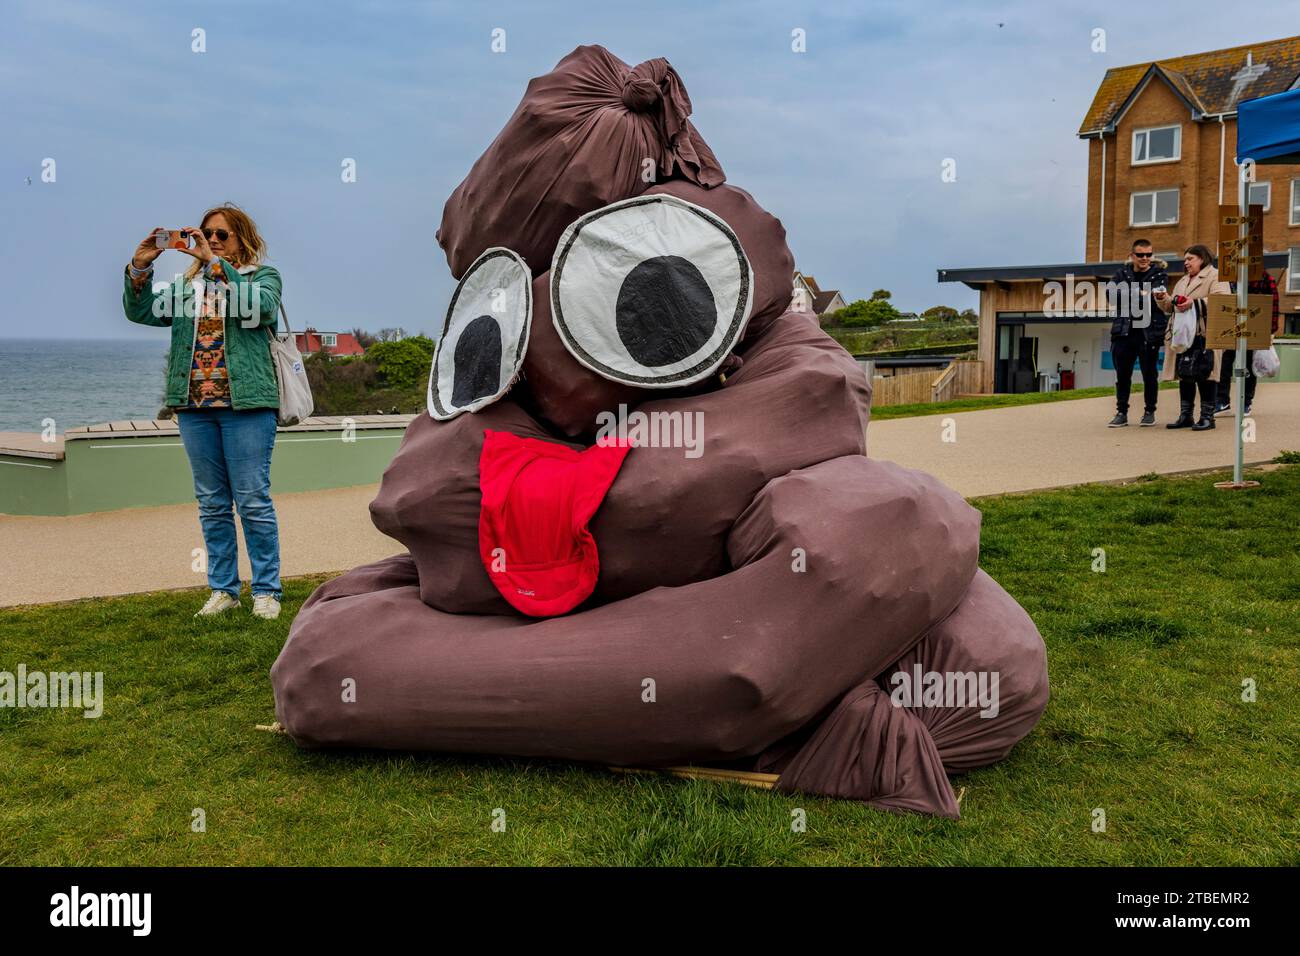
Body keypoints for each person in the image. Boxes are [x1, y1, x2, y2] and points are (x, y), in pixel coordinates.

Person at [122, 204, 285, 619]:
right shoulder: (184, 288)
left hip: (247, 404)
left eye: (221, 235)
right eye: (206, 235)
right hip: (194, 406)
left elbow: (260, 310)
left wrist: (216, 267)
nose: (211, 241)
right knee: (212, 503)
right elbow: (141, 312)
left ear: (241, 238)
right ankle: (224, 590)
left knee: (252, 500)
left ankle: (266, 590)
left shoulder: (261, 277)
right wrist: (140, 268)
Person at [1154, 244, 1230, 431]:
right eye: (1185, 259)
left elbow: (1222, 301)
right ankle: (1186, 416)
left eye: (1190, 259)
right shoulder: (1183, 281)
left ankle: (1207, 417)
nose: (1186, 262)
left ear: (1202, 258)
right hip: (1182, 335)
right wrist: (1163, 298)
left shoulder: (1216, 276)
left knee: (1207, 374)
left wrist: (1194, 303)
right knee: (1184, 374)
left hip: (1205, 333)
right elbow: (1172, 306)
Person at [1106, 239, 1169, 427]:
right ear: (1132, 255)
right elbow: (1111, 296)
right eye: (1140, 255)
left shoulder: (1159, 274)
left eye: (1149, 254)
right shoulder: (1120, 273)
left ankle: (1150, 411)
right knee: (1122, 376)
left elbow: (1154, 299)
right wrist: (1141, 294)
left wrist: (1128, 294)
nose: (1145, 258)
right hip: (1123, 332)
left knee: (1149, 374)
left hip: (1148, 333)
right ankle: (1121, 412)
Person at [1215, 269, 1280, 419]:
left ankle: (1246, 401)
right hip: (1231, 324)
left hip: (1254, 326)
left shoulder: (1265, 278)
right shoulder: (1230, 276)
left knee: (1248, 364)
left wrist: (1270, 331)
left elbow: (1273, 304)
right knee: (1224, 363)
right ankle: (1222, 401)